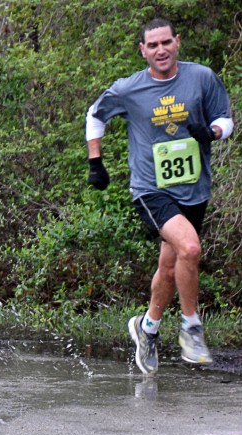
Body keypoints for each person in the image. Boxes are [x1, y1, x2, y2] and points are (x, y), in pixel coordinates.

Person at [86, 17, 233, 374]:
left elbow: (226, 120)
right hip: (151, 189)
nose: (160, 50)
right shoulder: (128, 89)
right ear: (143, 51)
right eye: (152, 45)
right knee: (191, 248)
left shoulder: (201, 78)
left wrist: (211, 132)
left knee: (170, 266)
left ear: (177, 42)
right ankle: (191, 328)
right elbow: (94, 115)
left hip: (194, 188)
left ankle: (147, 327)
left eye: (166, 42)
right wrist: (96, 162)